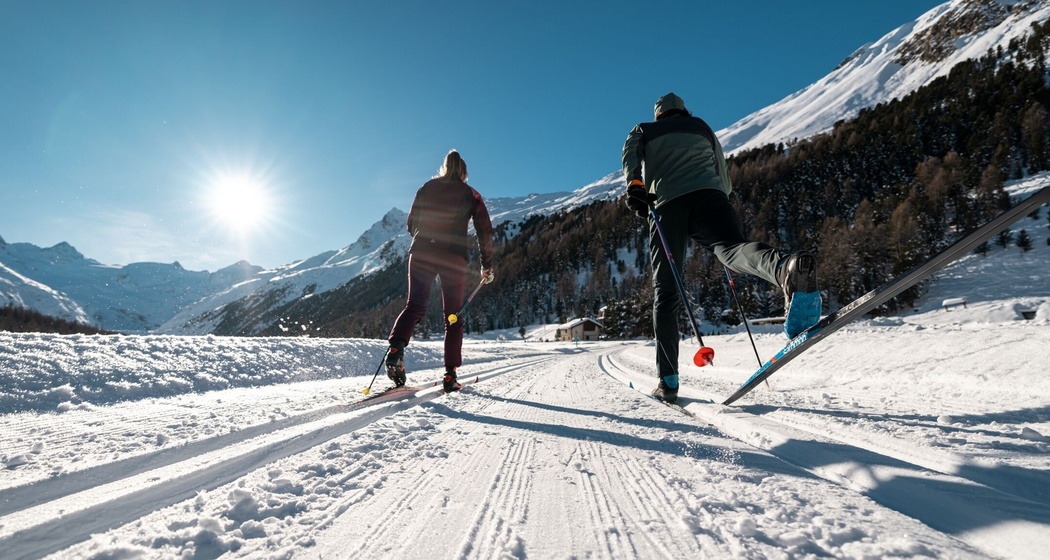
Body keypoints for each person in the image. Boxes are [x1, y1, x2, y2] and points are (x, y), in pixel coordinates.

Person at [621, 93, 821, 403]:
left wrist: (635, 186)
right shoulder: (701, 127)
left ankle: (668, 381)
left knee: (667, 292)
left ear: (659, 115)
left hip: (667, 206)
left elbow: (630, 156)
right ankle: (785, 268)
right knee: (732, 250)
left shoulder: (644, 130)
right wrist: (717, 203)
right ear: (684, 111)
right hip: (711, 197)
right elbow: (723, 176)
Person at [387, 150, 495, 392]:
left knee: (414, 305)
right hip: (452, 257)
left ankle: (395, 350)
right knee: (453, 316)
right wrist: (486, 265)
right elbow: (485, 231)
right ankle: (450, 375)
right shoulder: (470, 194)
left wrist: (427, 236)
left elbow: (411, 224)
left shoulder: (427, 188)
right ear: (464, 173)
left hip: (421, 251)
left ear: (444, 167)